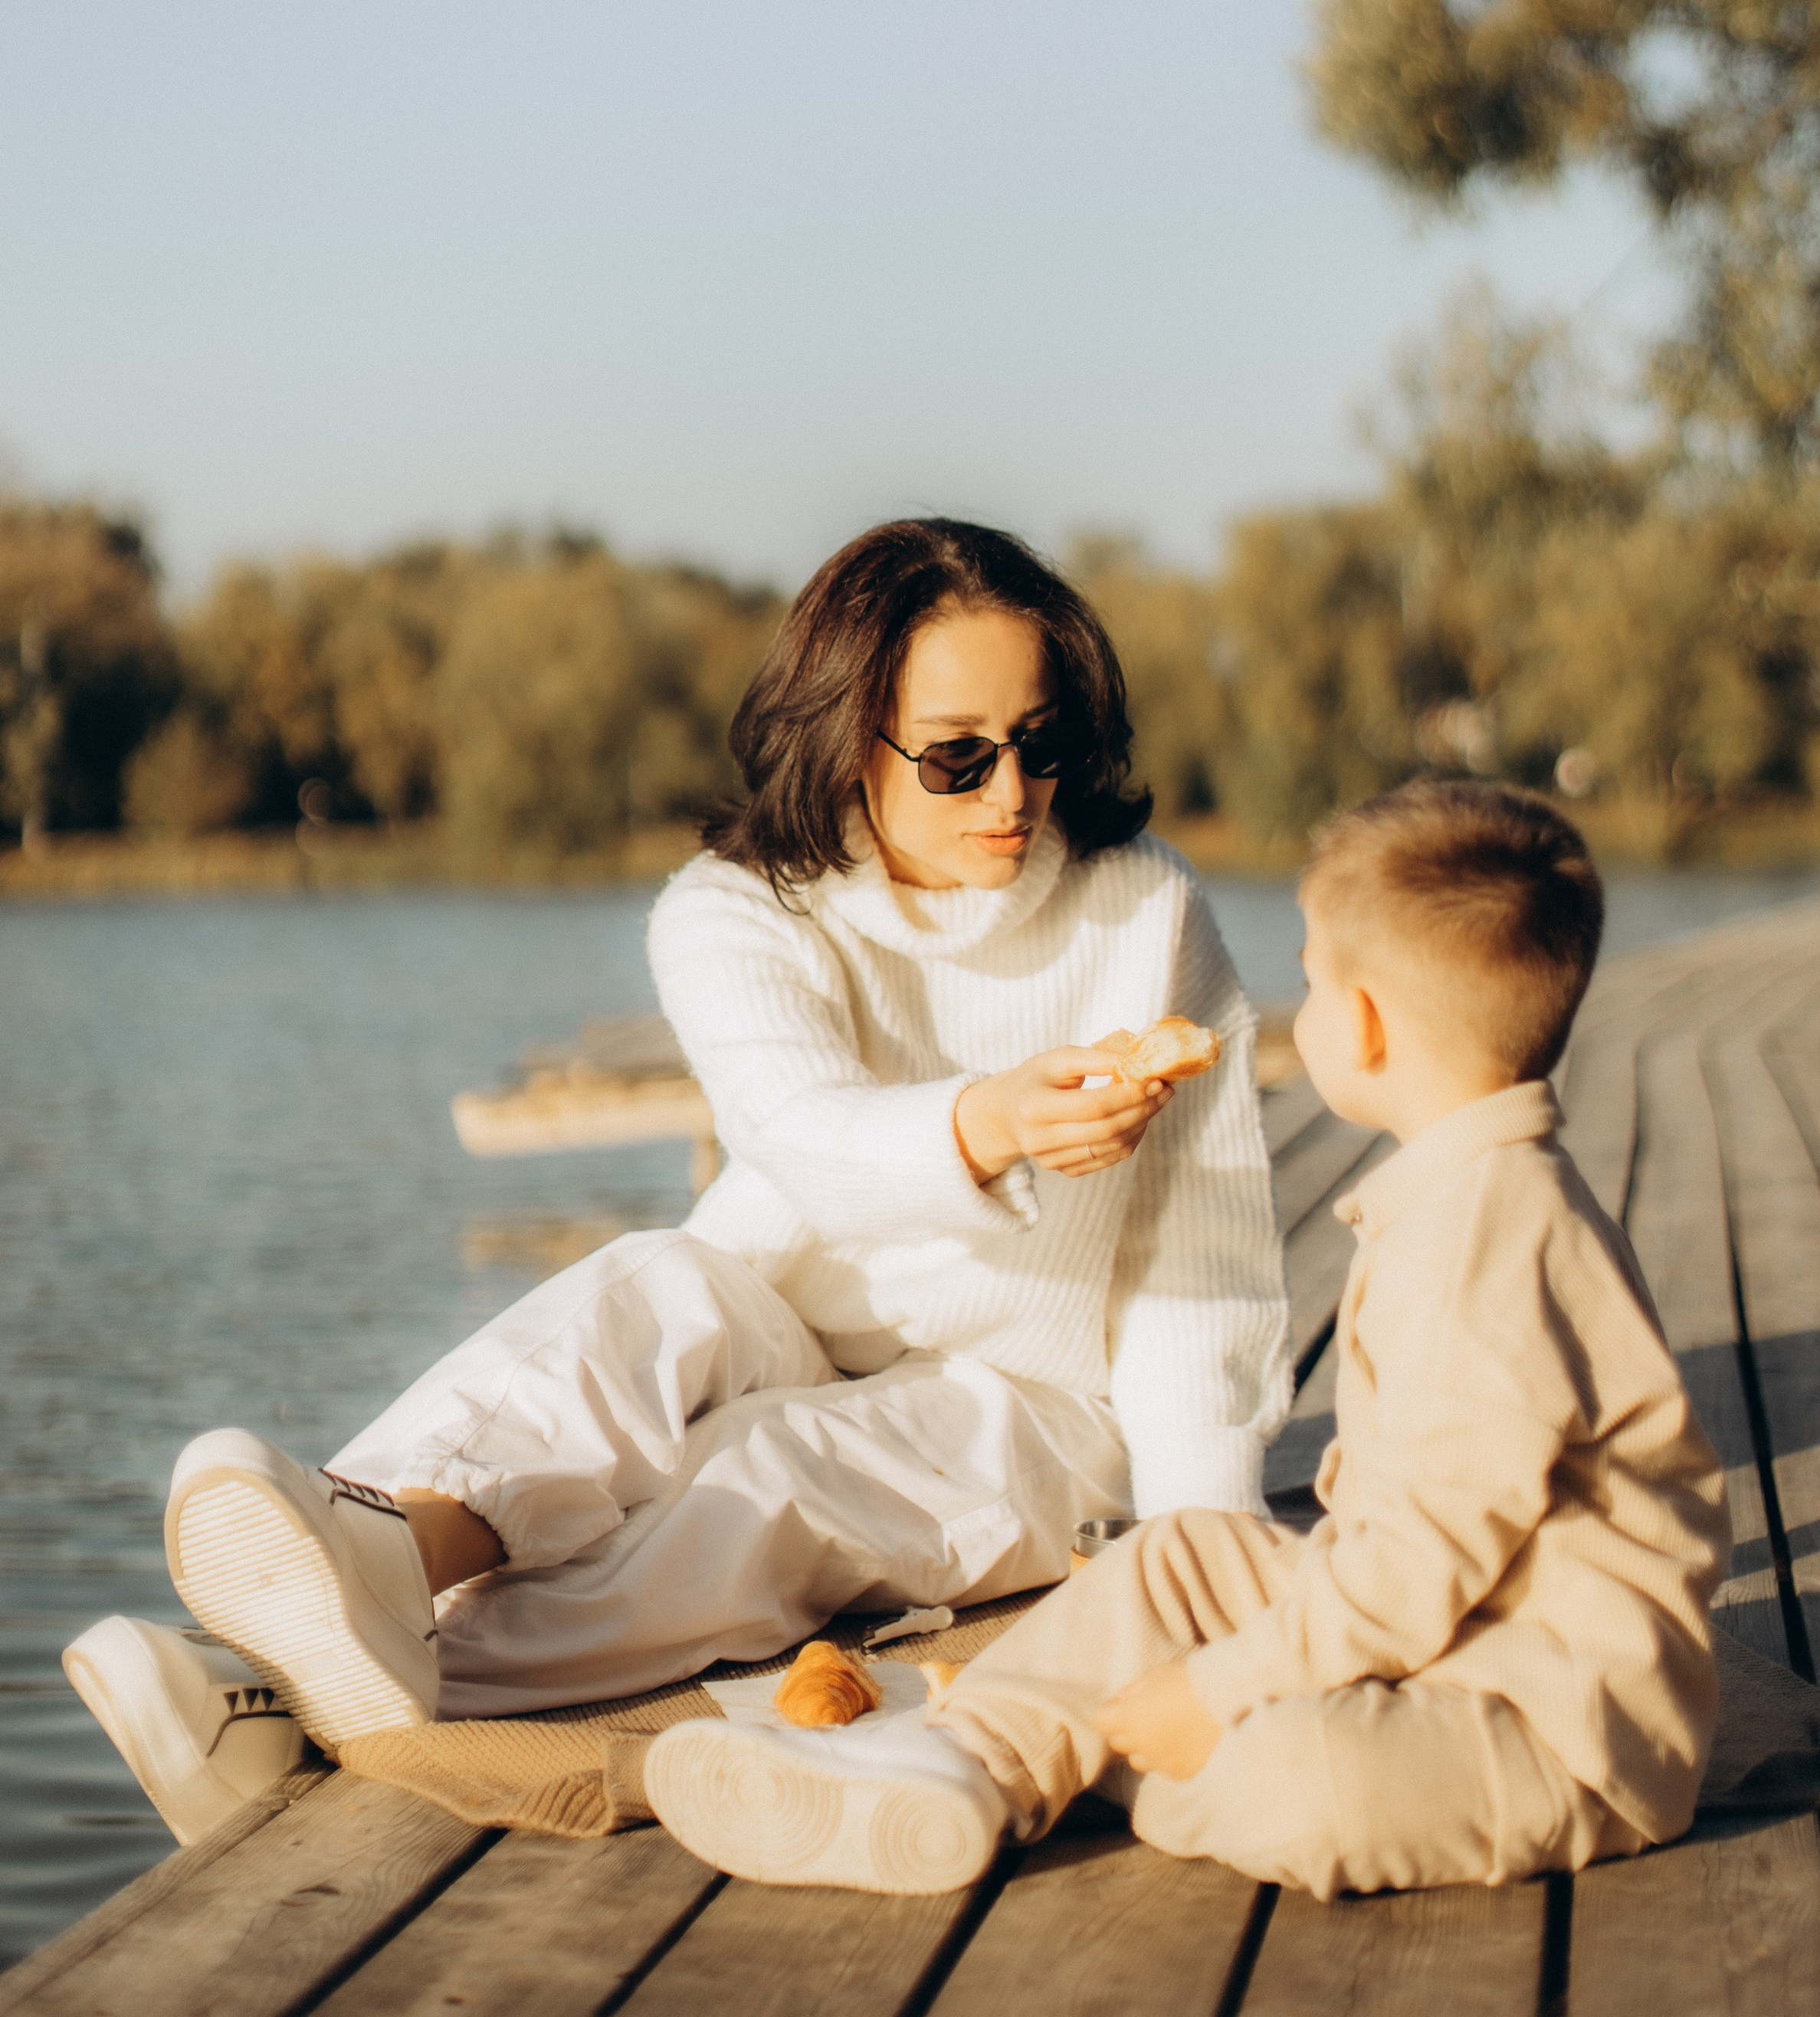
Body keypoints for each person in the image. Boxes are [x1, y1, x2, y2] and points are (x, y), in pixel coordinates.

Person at [80, 518, 1287, 1832]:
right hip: (794, 1315)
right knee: (651, 1282)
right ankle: (385, 1545)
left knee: (764, 1478)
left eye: (1041, 744)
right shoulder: (735, 910)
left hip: (1040, 1403)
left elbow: (1204, 1268)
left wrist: (1198, 1559)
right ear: (846, 740)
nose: (1011, 794)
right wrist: (990, 1124)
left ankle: (267, 1700)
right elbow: (800, 1131)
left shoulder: (1146, 914)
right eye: (957, 757)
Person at [644, 779, 1733, 1901]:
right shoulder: (1470, 1193)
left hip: (1552, 1724)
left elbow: (1422, 1565)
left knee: (1296, 1773)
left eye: (1311, 978)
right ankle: (967, 1759)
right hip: (1448, 1629)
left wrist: (1218, 1691)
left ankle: (1068, 1760)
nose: (1297, 1002)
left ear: (1361, 1025)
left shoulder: (1493, 1244)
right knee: (1180, 1552)